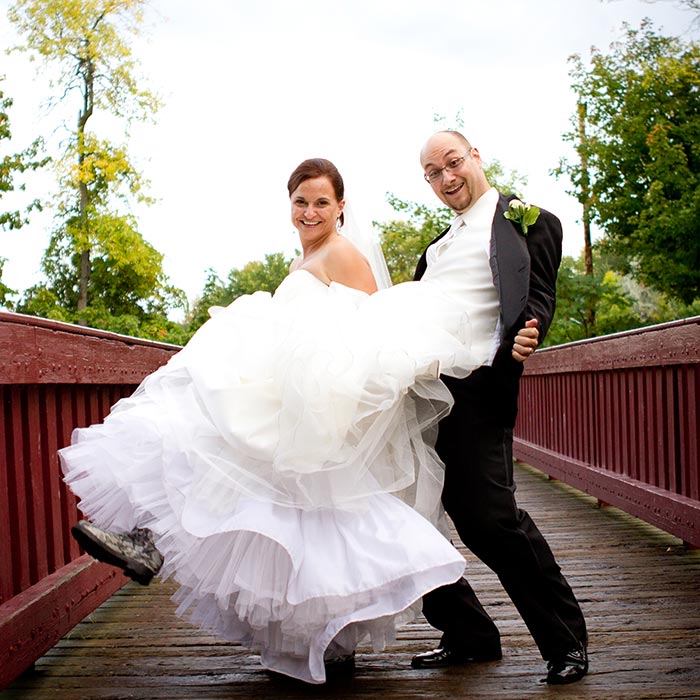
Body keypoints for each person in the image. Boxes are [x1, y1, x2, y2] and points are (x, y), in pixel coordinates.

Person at [60, 157, 520, 684]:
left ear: (341, 207)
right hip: (292, 391)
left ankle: (153, 543)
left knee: (269, 480)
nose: (309, 211)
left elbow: (375, 333)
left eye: (321, 201)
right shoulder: (309, 256)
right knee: (264, 491)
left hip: (319, 400)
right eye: (301, 202)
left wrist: (313, 375)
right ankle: (156, 546)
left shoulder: (343, 253)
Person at [409, 130, 588, 685]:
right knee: (404, 514)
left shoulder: (528, 221)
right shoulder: (435, 248)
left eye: (452, 163)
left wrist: (530, 330)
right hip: (418, 393)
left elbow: (537, 296)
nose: (446, 179)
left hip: (477, 389)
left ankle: (566, 641)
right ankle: (468, 633)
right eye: (433, 174)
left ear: (476, 156)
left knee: (489, 520)